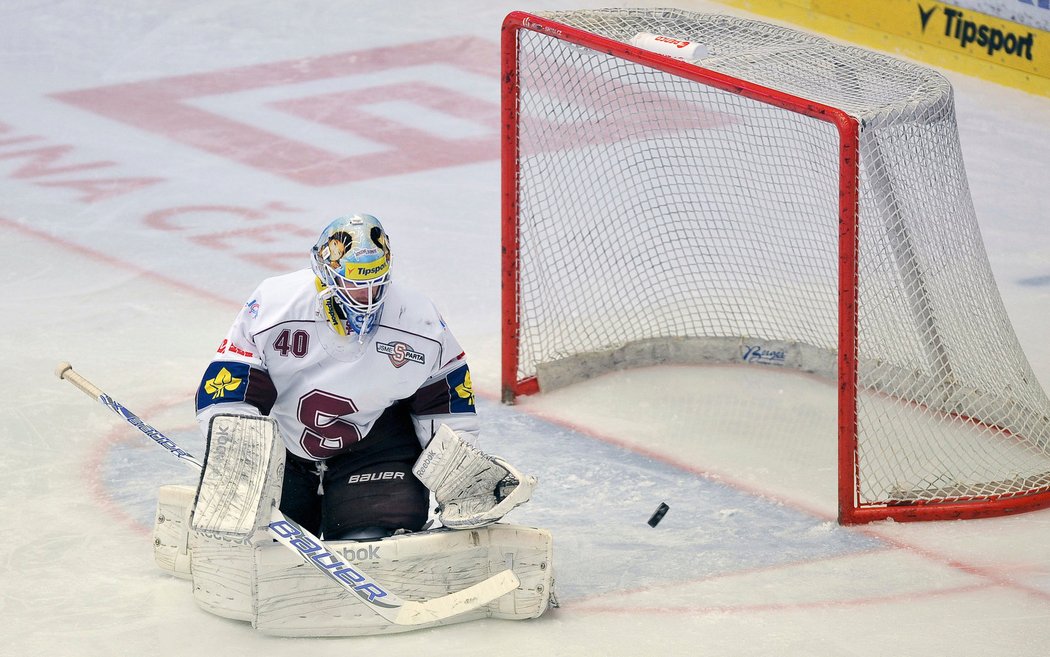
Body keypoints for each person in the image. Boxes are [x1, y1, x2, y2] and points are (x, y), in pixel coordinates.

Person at [194, 213, 480, 540]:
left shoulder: (418, 322)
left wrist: (459, 479)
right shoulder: (276, 305)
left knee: (376, 540)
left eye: (376, 283)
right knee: (261, 543)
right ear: (325, 273)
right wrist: (237, 461)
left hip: (372, 452)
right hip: (282, 453)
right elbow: (228, 388)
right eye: (355, 284)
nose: (367, 298)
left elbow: (446, 406)